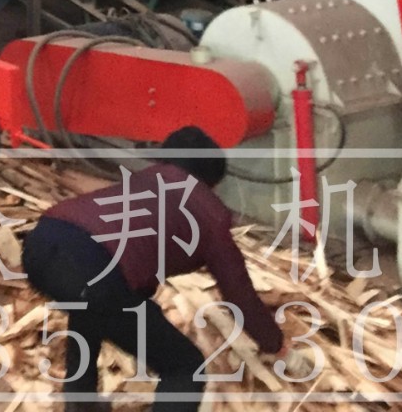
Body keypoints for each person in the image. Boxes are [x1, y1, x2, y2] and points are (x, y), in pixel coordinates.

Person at [20, 126, 288, 408]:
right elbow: (238, 290)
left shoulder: (146, 179)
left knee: (89, 309)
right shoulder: (210, 212)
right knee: (185, 367)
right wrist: (274, 342)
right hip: (94, 269)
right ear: (211, 178)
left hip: (41, 243)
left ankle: (80, 403)